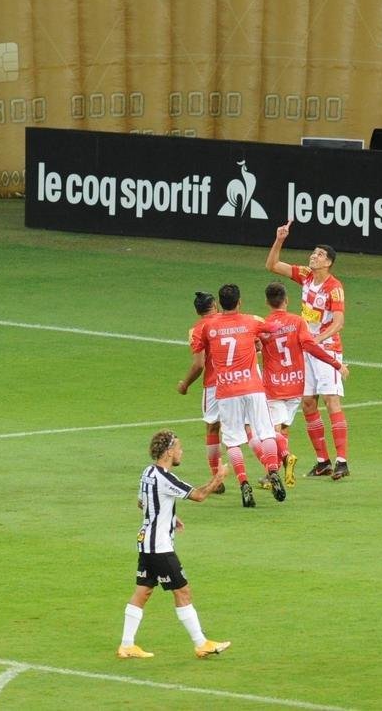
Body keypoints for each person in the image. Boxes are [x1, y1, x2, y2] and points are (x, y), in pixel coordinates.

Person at [117, 429, 231, 660]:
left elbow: (143, 503)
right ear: (168, 452)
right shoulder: (165, 477)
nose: (181, 451)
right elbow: (198, 495)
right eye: (178, 448)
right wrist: (217, 479)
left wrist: (169, 516)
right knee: (182, 590)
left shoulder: (147, 472)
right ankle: (201, 643)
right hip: (160, 547)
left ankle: (127, 645)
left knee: (143, 591)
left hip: (145, 543)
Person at [178, 283, 289, 508]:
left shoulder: (206, 328)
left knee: (232, 440)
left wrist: (185, 383)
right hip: (253, 387)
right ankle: (272, 469)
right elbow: (274, 329)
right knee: (265, 432)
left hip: (225, 390)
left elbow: (200, 358)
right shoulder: (251, 321)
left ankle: (243, 483)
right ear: (239, 302)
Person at [266, 220, 350, 480]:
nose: (314, 256)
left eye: (320, 254)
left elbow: (339, 322)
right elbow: (272, 265)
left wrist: (316, 339)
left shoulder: (334, 287)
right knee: (307, 402)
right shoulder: (305, 276)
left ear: (329, 263)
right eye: (313, 253)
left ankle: (342, 461)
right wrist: (280, 239)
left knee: (331, 400)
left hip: (327, 349)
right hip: (307, 349)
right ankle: (322, 460)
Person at [257, 281, 350, 490]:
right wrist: (337, 364)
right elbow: (310, 345)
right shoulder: (298, 322)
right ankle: (319, 461)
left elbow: (253, 348)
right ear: (287, 300)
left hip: (274, 386)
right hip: (296, 386)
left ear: (266, 302)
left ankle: (273, 469)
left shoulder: (263, 326)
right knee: (284, 426)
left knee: (273, 431)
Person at [182, 291, 225, 494]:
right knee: (249, 429)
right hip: (244, 382)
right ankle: (271, 467)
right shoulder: (233, 320)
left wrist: (185, 384)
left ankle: (217, 477)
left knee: (213, 429)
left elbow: (199, 364)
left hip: (215, 385)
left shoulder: (197, 329)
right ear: (215, 305)